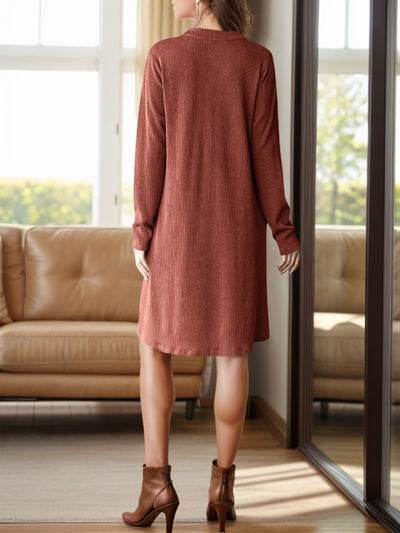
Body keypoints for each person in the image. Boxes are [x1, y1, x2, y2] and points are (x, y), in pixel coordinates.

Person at [122, 0, 301, 531]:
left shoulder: (165, 57)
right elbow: (267, 155)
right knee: (232, 353)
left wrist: (142, 229)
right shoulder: (257, 61)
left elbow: (149, 154)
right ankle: (223, 489)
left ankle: (157, 485)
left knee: (153, 346)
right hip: (235, 234)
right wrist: (282, 228)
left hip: (175, 231)